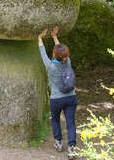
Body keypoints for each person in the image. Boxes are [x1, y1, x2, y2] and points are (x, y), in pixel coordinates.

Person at [38, 26, 77, 160]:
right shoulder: (68, 62)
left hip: (56, 99)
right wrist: (55, 37)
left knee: (55, 119)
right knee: (70, 121)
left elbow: (43, 54)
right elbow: (62, 52)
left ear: (54, 55)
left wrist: (39, 38)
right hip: (71, 97)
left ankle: (58, 142)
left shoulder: (51, 66)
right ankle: (72, 148)